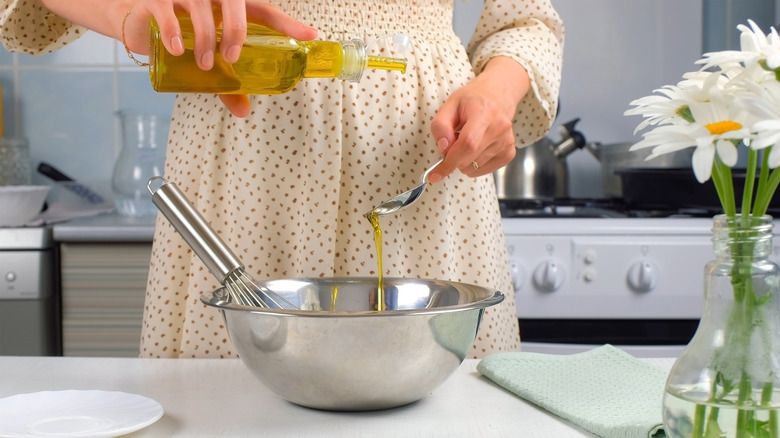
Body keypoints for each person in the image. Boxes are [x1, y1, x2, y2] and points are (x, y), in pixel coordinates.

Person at [2, 0, 563, 358]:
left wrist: (497, 91)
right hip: (242, 160)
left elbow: (528, 21)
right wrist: (126, 10)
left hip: (426, 167)